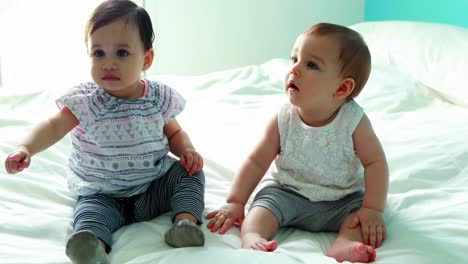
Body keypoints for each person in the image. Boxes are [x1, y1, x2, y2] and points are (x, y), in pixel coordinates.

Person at [4, 0, 205, 263]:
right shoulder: (85, 101)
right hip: (102, 193)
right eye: (98, 53)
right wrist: (26, 148)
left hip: (151, 187)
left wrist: (186, 150)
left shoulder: (158, 98)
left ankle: (184, 223)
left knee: (190, 174)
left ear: (147, 58)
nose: (108, 63)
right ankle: (92, 245)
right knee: (89, 213)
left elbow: (175, 134)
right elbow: (53, 126)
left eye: (121, 53)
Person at [206, 23, 388, 263]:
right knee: (262, 206)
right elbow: (256, 160)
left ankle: (344, 242)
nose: (295, 70)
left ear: (342, 88)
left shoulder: (354, 122)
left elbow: (376, 163)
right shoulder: (285, 118)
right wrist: (236, 201)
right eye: (294, 59)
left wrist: (372, 209)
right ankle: (253, 236)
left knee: (358, 216)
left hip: (341, 198)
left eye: (311, 64)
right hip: (288, 192)